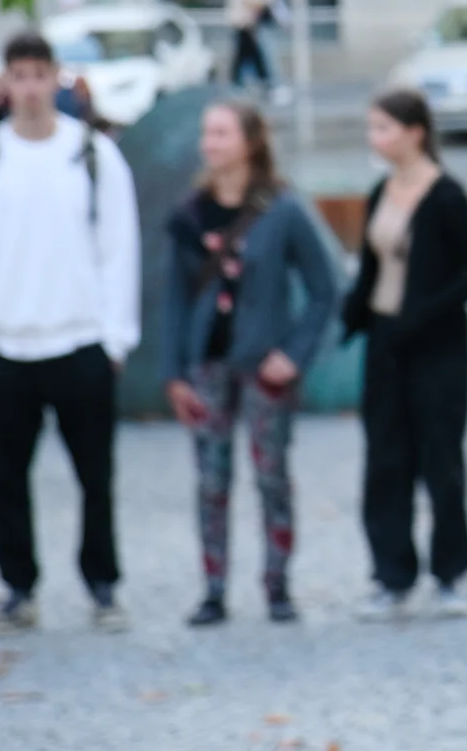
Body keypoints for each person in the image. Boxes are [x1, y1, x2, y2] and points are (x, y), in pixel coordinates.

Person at [0, 32, 141, 635]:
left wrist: (115, 337)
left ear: (55, 78)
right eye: (18, 75)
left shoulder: (93, 154)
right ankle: (18, 587)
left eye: (38, 74)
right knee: (7, 476)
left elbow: (118, 247)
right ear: (4, 83)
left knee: (95, 475)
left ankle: (103, 584)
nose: (28, 88)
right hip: (7, 344)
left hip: (79, 340)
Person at [162, 101, 337, 627]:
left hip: (265, 365)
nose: (209, 143)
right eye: (206, 133)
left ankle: (277, 586)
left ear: (250, 142)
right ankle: (213, 589)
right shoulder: (190, 213)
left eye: (220, 133)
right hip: (208, 365)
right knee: (211, 481)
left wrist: (295, 353)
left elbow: (325, 289)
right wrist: (174, 372)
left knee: (271, 476)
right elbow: (173, 298)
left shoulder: (282, 209)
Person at [343, 89, 467, 621]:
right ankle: (391, 576)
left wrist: (424, 312)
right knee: (385, 461)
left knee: (440, 459)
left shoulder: (446, 195)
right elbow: (371, 267)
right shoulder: (381, 189)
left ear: (415, 132)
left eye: (383, 128)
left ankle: (451, 574)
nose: (375, 138)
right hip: (386, 344)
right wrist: (354, 314)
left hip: (437, 349)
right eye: (372, 128)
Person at [227, 0, 284, 93]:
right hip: (243, 27)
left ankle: (251, 85)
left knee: (248, 58)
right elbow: (254, 1)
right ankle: (254, 86)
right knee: (247, 58)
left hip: (249, 27)